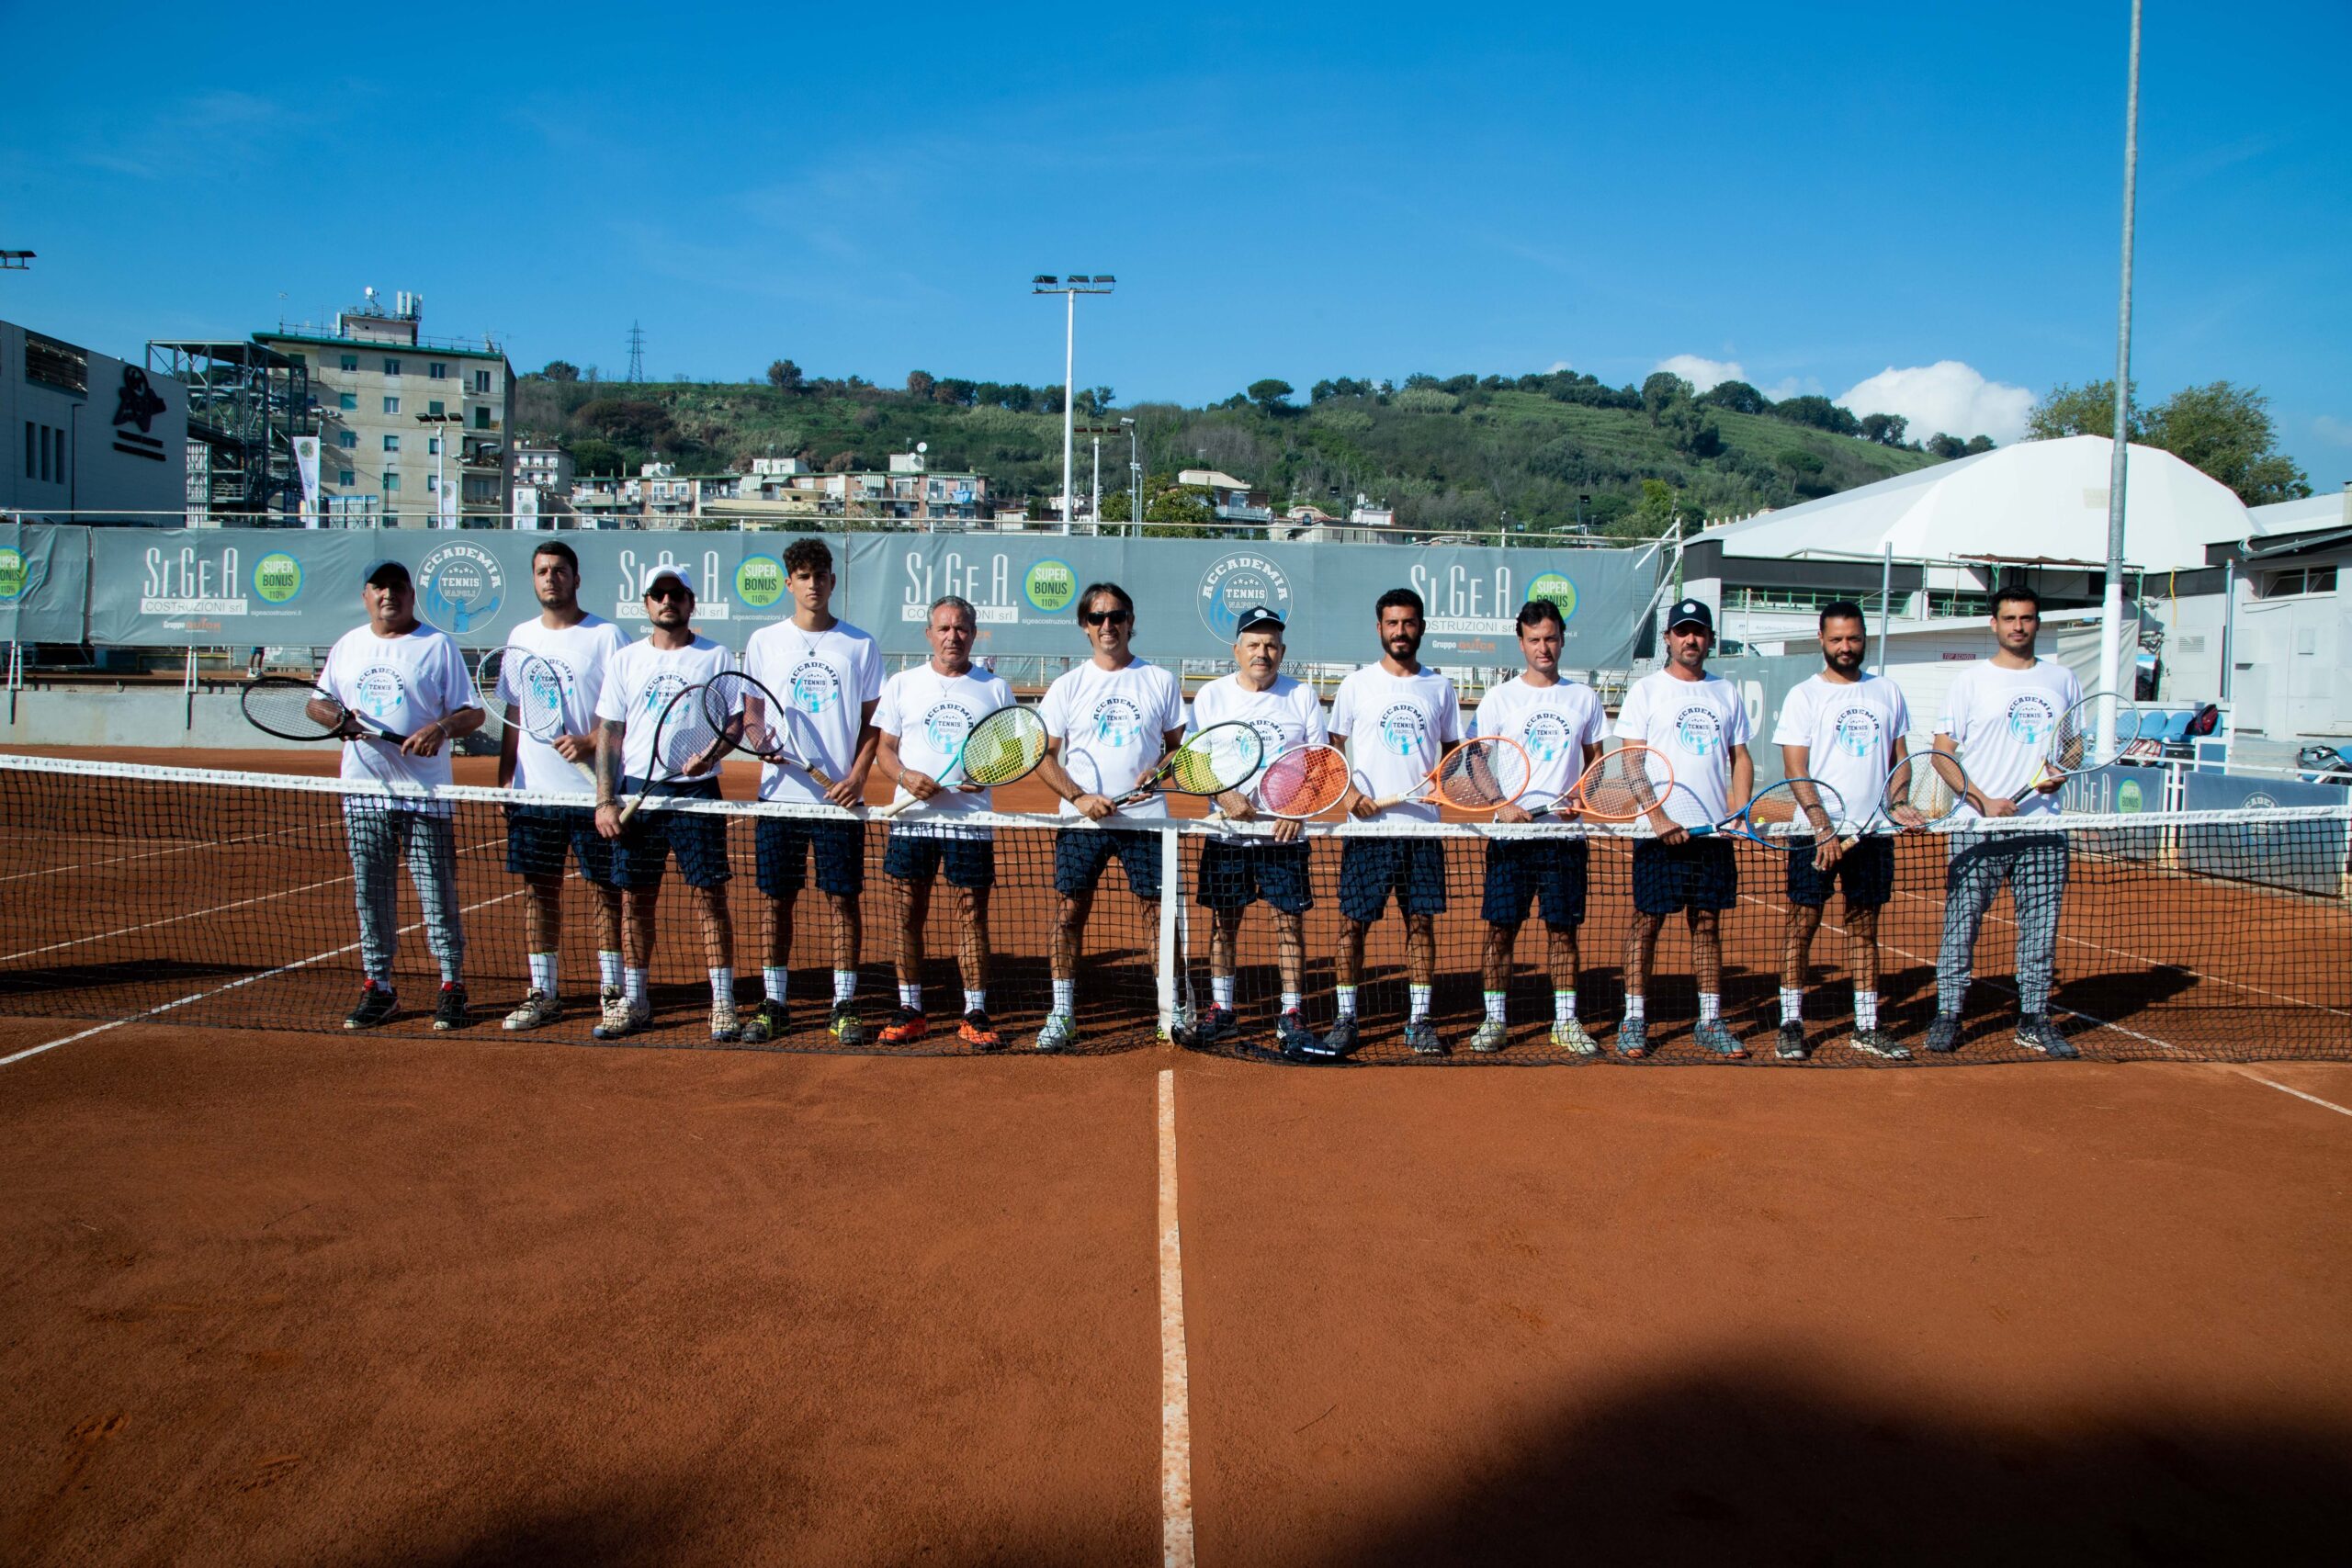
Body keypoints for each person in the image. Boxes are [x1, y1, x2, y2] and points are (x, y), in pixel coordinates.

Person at [322, 558, 484, 1031]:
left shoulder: (436, 645)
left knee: (438, 895)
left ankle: (452, 986)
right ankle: (379, 988)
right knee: (371, 894)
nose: (388, 595)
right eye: (378, 588)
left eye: (397, 587)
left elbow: (472, 713)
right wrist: (337, 720)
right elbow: (318, 701)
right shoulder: (347, 646)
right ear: (366, 596)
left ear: (412, 595)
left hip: (425, 794)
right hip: (363, 794)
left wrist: (440, 727)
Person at [1307, 587, 1464, 1058]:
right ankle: (1346, 1017)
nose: (1401, 631)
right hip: (1368, 833)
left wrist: (1445, 783)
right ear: (1379, 628)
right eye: (1392, 623)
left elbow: (1454, 753)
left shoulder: (1440, 687)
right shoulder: (1357, 686)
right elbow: (1330, 753)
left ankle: (1419, 1021)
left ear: (1421, 628)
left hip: (1421, 830)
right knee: (1352, 927)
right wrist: (1350, 794)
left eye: (1409, 622)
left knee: (1421, 926)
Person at [1031, 581, 1187, 1054]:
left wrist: (1158, 770)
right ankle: (1062, 1012)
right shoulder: (1068, 685)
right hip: (1082, 823)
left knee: (1160, 916)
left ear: (1130, 621)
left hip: (1146, 821)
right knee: (1069, 913)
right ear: (1085, 626)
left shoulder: (1159, 680)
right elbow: (1043, 756)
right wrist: (1079, 797)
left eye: (1116, 615)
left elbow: (1182, 749)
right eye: (1098, 617)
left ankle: (1172, 1009)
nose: (1108, 625)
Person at [738, 538, 882, 1045]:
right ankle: (774, 1002)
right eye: (803, 575)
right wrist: (759, 740)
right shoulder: (763, 642)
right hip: (778, 797)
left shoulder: (860, 645)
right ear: (788, 583)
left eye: (820, 574)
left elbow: (873, 726)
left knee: (843, 902)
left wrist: (858, 778)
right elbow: (752, 714)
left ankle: (844, 1003)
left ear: (832, 582)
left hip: (839, 803)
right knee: (776, 902)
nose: (813, 583)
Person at [1928, 582, 2082, 1057]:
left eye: (2028, 618)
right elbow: (1941, 754)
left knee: (2040, 929)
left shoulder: (2062, 681)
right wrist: (1980, 799)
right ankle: (1949, 1015)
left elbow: (2074, 746)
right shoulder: (1971, 682)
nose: (2019, 626)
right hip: (1978, 829)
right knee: (1962, 924)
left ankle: (2034, 1018)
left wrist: (2064, 770)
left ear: (2038, 623)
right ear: (1994, 624)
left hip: (2043, 830)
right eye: (2010, 618)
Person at [591, 564, 739, 1041]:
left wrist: (711, 754)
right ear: (647, 603)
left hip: (697, 794)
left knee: (710, 899)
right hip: (638, 792)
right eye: (659, 594)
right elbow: (610, 733)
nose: (667, 601)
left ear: (691, 603)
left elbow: (735, 724)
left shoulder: (715, 656)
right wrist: (605, 800)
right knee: (635, 901)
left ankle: (723, 1003)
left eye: (676, 593)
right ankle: (635, 1000)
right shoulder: (626, 660)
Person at [494, 540, 630, 1032]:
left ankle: (612, 991)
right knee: (539, 892)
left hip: (594, 794)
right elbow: (513, 713)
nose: (550, 578)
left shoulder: (606, 636)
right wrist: (505, 777)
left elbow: (620, 712)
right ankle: (543, 990)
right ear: (534, 579)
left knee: (605, 893)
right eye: (542, 571)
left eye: (559, 571)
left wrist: (589, 740)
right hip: (534, 794)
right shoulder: (519, 637)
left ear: (576, 578)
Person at [871, 595, 1015, 1049]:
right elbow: (884, 750)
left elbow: (1010, 752)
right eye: (944, 628)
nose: (953, 636)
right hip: (912, 820)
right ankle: (911, 1008)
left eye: (962, 629)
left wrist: (988, 773)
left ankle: (974, 1010)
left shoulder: (995, 688)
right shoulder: (902, 684)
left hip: (968, 823)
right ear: (929, 634)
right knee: (906, 914)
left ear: (973, 634)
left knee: (971, 915)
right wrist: (905, 776)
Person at [1180, 604, 1325, 1055]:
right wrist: (1224, 796)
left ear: (1282, 651)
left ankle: (1291, 1012)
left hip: (1284, 837)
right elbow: (1192, 760)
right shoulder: (1212, 697)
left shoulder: (1302, 695)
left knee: (1290, 926)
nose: (1263, 652)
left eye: (1271, 645)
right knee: (1224, 924)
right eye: (1254, 644)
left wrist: (1298, 810)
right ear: (1237, 649)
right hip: (1229, 835)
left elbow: (1321, 767)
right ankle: (1222, 1011)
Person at [1770, 600, 1911, 1060]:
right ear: (1822, 640)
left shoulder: (1888, 691)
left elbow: (1899, 761)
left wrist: (1900, 803)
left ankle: (1867, 1026)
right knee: (1802, 924)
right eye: (1836, 639)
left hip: (1872, 835)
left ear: (1864, 636)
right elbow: (1796, 769)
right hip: (1815, 834)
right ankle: (1791, 1021)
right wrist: (1824, 829)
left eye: (1853, 638)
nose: (1845, 647)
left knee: (1864, 927)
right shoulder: (1804, 696)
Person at [1616, 598, 1753, 1058]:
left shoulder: (1726, 692)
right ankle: (1634, 1019)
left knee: (1708, 926)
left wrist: (1738, 811)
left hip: (1711, 834)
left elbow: (1741, 758)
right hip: (1658, 835)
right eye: (1682, 631)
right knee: (1646, 924)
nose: (1691, 639)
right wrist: (1657, 817)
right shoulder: (1647, 691)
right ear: (1669, 638)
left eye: (1699, 632)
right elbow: (1632, 761)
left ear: (1709, 639)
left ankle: (1710, 1021)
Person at [1468, 600, 1606, 1055]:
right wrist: (1501, 803)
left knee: (1563, 931)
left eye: (1550, 638)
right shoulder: (1500, 698)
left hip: (1564, 839)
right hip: (1511, 839)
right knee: (1500, 931)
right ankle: (1495, 1020)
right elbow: (1474, 759)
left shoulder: (1584, 698)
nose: (1543, 647)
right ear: (1521, 642)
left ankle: (1566, 1022)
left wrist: (1583, 796)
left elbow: (1596, 763)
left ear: (1562, 639)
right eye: (1534, 640)